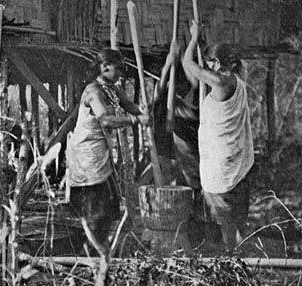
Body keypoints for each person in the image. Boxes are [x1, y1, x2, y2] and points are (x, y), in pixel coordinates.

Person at [66, 48, 151, 254]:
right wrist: (135, 120)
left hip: (100, 150)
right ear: (104, 67)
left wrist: (142, 111)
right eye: (117, 68)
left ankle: (98, 245)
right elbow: (105, 119)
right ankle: (90, 249)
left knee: (110, 204)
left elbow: (129, 105)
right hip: (87, 152)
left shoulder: (111, 88)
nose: (120, 73)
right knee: (97, 204)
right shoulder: (94, 91)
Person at [181, 21, 254, 253]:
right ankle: (234, 247)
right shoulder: (238, 83)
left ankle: (231, 252)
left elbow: (188, 64)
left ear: (218, 63)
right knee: (231, 209)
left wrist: (192, 39)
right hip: (232, 151)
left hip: (221, 155)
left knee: (223, 211)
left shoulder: (221, 81)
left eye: (211, 62)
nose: (209, 67)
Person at [152, 42, 206, 246]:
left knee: (192, 183)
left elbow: (194, 98)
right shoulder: (167, 86)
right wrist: (168, 65)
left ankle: (196, 229)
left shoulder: (193, 86)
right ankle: (177, 227)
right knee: (173, 184)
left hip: (188, 137)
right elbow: (157, 96)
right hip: (170, 138)